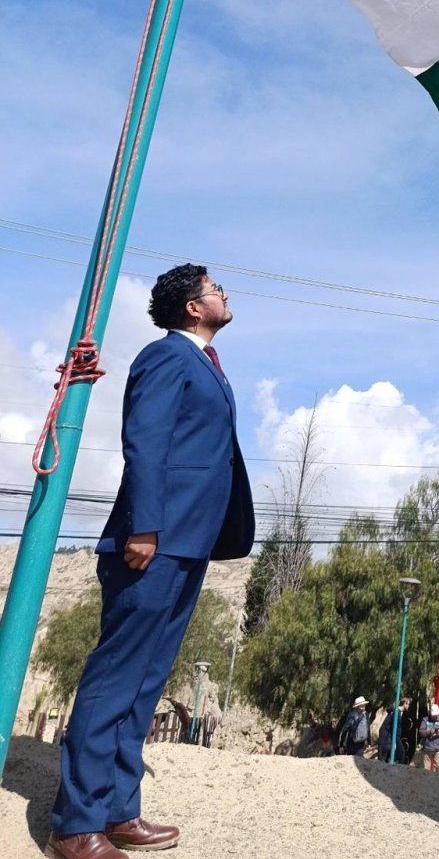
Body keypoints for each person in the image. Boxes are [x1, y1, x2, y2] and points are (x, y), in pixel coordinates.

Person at [47, 265, 255, 859]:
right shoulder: (167, 358)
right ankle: (74, 825)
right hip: (153, 544)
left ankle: (117, 811)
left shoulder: (207, 365)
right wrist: (144, 528)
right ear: (192, 308)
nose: (225, 294)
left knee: (144, 685)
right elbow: (145, 440)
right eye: (216, 289)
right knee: (114, 679)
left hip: (188, 545)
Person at [416, 702, 439, 771]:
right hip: (427, 749)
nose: (434, 717)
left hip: (437, 749)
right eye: (433, 715)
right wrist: (430, 732)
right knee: (426, 769)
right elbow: (421, 731)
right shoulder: (425, 720)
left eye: (436, 716)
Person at [379, 696, 410, 764]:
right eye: (408, 704)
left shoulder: (397, 712)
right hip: (392, 737)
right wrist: (394, 741)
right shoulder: (396, 712)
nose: (409, 706)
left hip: (394, 737)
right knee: (401, 753)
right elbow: (393, 727)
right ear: (404, 703)